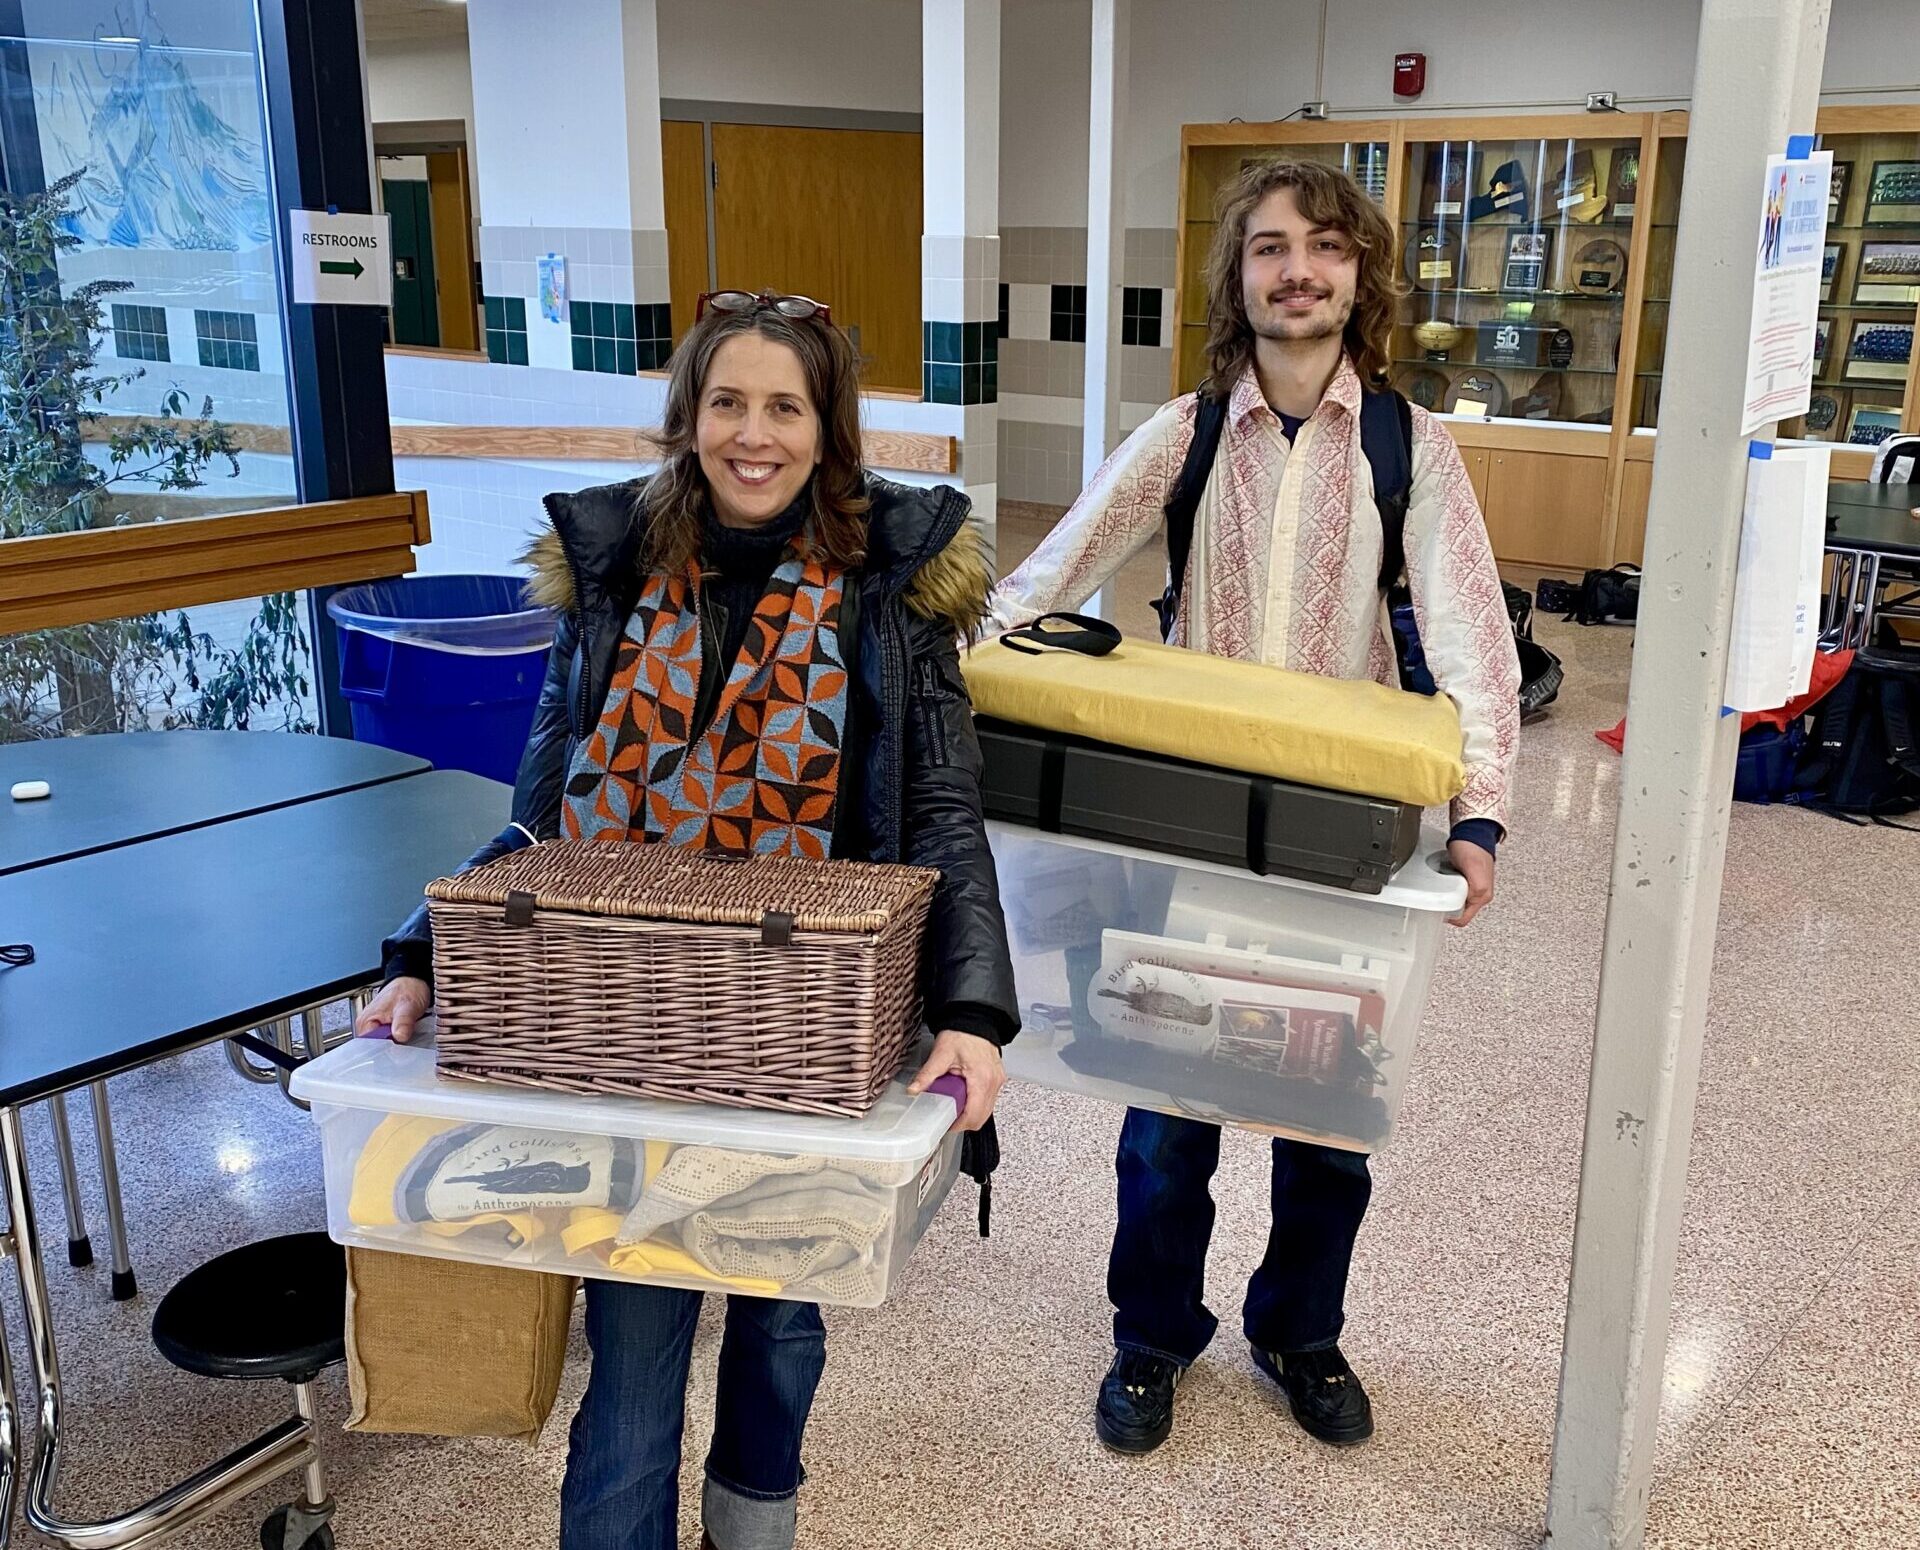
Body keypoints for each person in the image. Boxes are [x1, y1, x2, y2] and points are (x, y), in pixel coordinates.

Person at [358, 289, 1018, 1550]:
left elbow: (939, 806)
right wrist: (425, 956)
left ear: (829, 428)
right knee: (637, 1323)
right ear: (687, 416)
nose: (753, 434)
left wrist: (975, 1008)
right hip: (635, 1019)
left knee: (779, 1314)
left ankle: (748, 1527)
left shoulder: (892, 585)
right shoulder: (612, 571)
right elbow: (540, 817)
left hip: (811, 1021)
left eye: (786, 405)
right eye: (728, 402)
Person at [987, 160, 1521, 1454]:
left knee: (1329, 1124)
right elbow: (1044, 580)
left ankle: (1299, 1329)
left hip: (1344, 839)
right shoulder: (1182, 435)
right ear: (1238, 275)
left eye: (1326, 249)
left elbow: (1472, 636)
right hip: (1190, 829)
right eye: (1272, 247)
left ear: (1361, 275)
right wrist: (955, 693)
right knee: (1166, 1115)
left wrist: (1479, 812)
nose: (1299, 270)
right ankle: (1151, 1335)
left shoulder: (1411, 446)